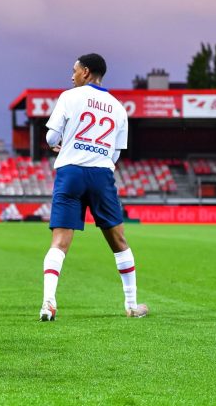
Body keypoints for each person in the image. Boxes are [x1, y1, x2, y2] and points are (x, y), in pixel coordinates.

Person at [40, 53, 147, 321]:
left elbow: (51, 136)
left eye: (74, 70)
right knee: (119, 241)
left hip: (71, 172)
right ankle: (132, 305)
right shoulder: (118, 107)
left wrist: (63, 144)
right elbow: (115, 155)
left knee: (59, 242)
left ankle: (48, 302)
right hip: (101, 175)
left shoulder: (69, 96)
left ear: (86, 72)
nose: (71, 75)